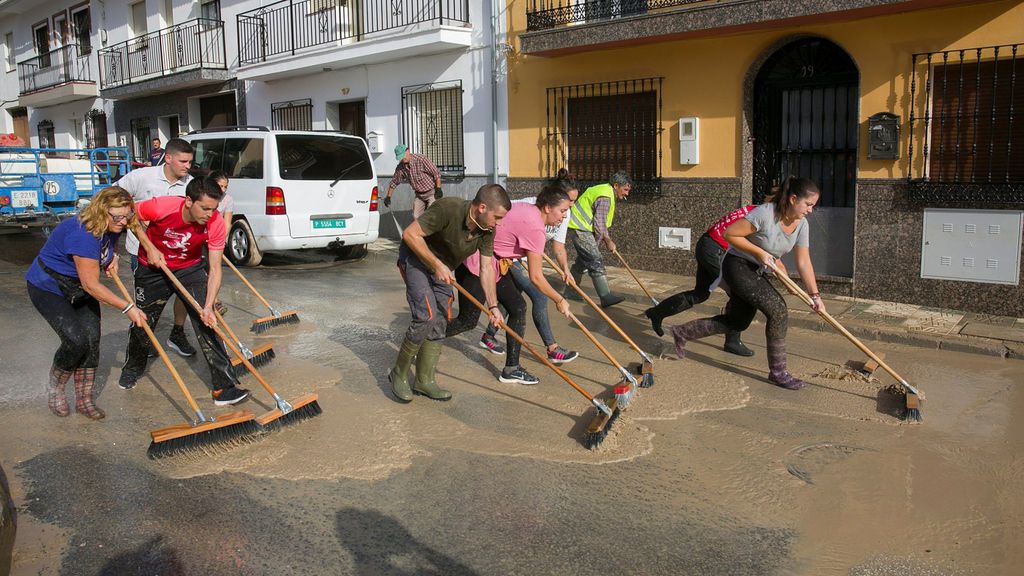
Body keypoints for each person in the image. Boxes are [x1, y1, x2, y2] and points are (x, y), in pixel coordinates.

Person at [669, 176, 825, 390]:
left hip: (757, 269)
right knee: (778, 310)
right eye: (808, 204)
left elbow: (804, 261)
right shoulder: (765, 213)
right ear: (793, 199)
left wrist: (815, 295)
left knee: (738, 321)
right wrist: (760, 253)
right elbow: (730, 234)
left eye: (813, 206)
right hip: (738, 264)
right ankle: (778, 373)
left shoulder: (802, 225)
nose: (810, 210)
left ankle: (682, 332)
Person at [26, 187, 160, 419]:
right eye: (116, 217)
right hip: (50, 287)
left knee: (91, 341)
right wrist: (128, 307)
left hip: (79, 286)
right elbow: (91, 285)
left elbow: (133, 225)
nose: (122, 221)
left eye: (126, 215)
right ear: (100, 212)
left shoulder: (118, 220)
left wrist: (114, 254)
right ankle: (55, 390)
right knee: (75, 341)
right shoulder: (83, 234)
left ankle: (84, 400)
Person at [118, 177, 250, 406]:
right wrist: (149, 247)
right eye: (205, 208)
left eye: (215, 209)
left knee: (208, 322)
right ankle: (132, 368)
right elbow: (130, 216)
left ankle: (224, 388)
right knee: (144, 322)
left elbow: (216, 268)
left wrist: (208, 306)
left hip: (189, 269)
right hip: (152, 269)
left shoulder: (215, 222)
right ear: (189, 201)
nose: (210, 214)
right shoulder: (161, 206)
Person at [387, 185, 511, 403]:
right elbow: (410, 234)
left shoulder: (487, 230)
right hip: (416, 259)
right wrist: (436, 264)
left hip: (443, 267)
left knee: (441, 319)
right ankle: (398, 373)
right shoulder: (448, 208)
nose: (499, 223)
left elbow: (486, 268)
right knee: (426, 316)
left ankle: (425, 381)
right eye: (497, 217)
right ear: (482, 207)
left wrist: (492, 306)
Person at [447, 184, 575, 384]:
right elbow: (536, 277)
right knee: (467, 321)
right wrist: (559, 299)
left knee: (518, 307)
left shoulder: (529, 208)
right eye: (563, 210)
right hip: (477, 263)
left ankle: (511, 369)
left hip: (497, 262)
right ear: (548, 207)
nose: (564, 216)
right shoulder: (535, 227)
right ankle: (424, 337)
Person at [477, 170, 581, 365]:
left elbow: (558, 246)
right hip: (508, 256)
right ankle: (552, 348)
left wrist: (565, 268)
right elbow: (503, 217)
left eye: (573, 202)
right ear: (553, 200)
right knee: (539, 295)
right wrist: (559, 299)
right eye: (569, 201)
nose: (571, 207)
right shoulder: (533, 205)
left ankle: (488, 335)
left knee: (513, 299)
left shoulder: (563, 213)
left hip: (522, 254)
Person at [644, 204, 759, 357]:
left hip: (707, 244)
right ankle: (732, 341)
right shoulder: (761, 216)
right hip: (716, 250)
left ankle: (657, 313)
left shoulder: (753, 209)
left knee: (701, 294)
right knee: (739, 293)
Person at [115, 137, 196, 357]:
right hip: (142, 251)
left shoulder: (190, 184)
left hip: (178, 252)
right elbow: (111, 199)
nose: (187, 166)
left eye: (190, 162)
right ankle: (145, 340)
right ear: (168, 158)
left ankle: (177, 334)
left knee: (183, 293)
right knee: (148, 301)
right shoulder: (141, 177)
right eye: (183, 161)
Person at [563, 171, 631, 308]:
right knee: (595, 259)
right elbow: (599, 223)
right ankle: (605, 297)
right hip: (580, 228)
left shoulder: (605, 190)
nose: (626, 194)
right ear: (616, 185)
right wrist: (608, 241)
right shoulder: (606, 196)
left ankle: (570, 291)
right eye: (625, 190)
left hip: (579, 227)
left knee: (583, 261)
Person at [383, 144, 443, 219]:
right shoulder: (401, 167)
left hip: (432, 193)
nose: (402, 159)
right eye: (400, 158)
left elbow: (436, 173)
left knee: (431, 215)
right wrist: (388, 197)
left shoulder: (421, 160)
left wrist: (438, 188)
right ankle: (421, 230)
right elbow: (394, 182)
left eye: (402, 156)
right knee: (416, 216)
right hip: (419, 195)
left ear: (408, 151)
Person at [209, 170, 233, 316]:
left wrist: (220, 241)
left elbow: (227, 222)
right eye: (220, 186)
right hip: (202, 237)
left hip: (216, 239)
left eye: (226, 187)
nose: (223, 190)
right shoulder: (205, 195)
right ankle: (210, 301)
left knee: (215, 269)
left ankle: (215, 300)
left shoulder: (228, 199)